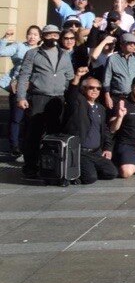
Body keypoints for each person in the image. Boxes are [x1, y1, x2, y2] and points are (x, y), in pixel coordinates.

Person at [14, 24, 75, 178]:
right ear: (43, 36)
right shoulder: (33, 53)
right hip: (38, 97)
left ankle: (52, 166)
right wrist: (21, 97)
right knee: (34, 134)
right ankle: (30, 167)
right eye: (49, 35)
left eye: (55, 34)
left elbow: (69, 76)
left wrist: (65, 91)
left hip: (58, 99)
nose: (53, 37)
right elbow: (23, 76)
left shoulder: (64, 54)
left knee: (54, 134)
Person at [61, 73, 117, 184]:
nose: (95, 90)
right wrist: (77, 77)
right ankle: (77, 173)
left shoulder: (100, 108)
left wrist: (107, 148)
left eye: (98, 88)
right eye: (91, 88)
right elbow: (72, 94)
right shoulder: (78, 103)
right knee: (90, 178)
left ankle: (88, 170)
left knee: (112, 173)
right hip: (81, 152)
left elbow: (105, 130)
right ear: (83, 89)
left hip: (96, 152)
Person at [1, 24, 41, 159]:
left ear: (40, 37)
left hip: (35, 88)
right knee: (16, 118)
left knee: (31, 119)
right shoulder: (19, 46)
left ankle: (28, 145)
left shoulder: (42, 50)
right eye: (30, 33)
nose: (32, 37)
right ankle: (15, 147)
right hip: (18, 86)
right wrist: (5, 38)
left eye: (35, 34)